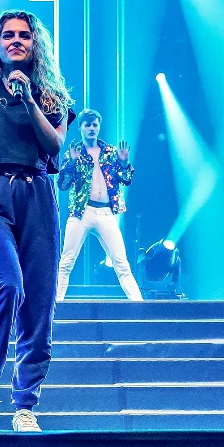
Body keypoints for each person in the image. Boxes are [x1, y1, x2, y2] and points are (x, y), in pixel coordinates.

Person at [0, 9, 73, 433]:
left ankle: (25, 405)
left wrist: (28, 101)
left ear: (35, 44)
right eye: (8, 35)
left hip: (38, 196)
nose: (16, 40)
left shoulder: (53, 99)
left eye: (24, 35)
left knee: (40, 304)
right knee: (8, 284)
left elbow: (54, 146)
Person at [54, 109, 140, 302]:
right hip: (81, 213)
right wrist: (71, 163)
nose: (92, 128)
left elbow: (126, 179)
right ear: (81, 128)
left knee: (121, 263)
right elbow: (63, 184)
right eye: (88, 125)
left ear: (99, 127)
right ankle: (56, 306)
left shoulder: (110, 152)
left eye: (95, 125)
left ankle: (139, 306)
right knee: (66, 262)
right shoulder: (73, 153)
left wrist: (124, 163)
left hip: (106, 213)